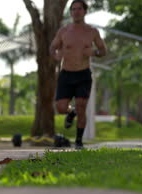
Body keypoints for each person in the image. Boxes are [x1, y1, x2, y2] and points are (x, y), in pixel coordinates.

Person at [50, 0, 107, 149]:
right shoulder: (63, 31)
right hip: (66, 74)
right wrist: (56, 56)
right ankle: (71, 112)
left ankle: (79, 142)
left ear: (85, 11)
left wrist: (94, 52)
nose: (76, 12)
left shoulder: (92, 32)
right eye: (73, 9)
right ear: (70, 12)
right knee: (61, 107)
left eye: (79, 9)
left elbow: (103, 50)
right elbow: (53, 47)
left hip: (83, 75)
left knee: (82, 106)